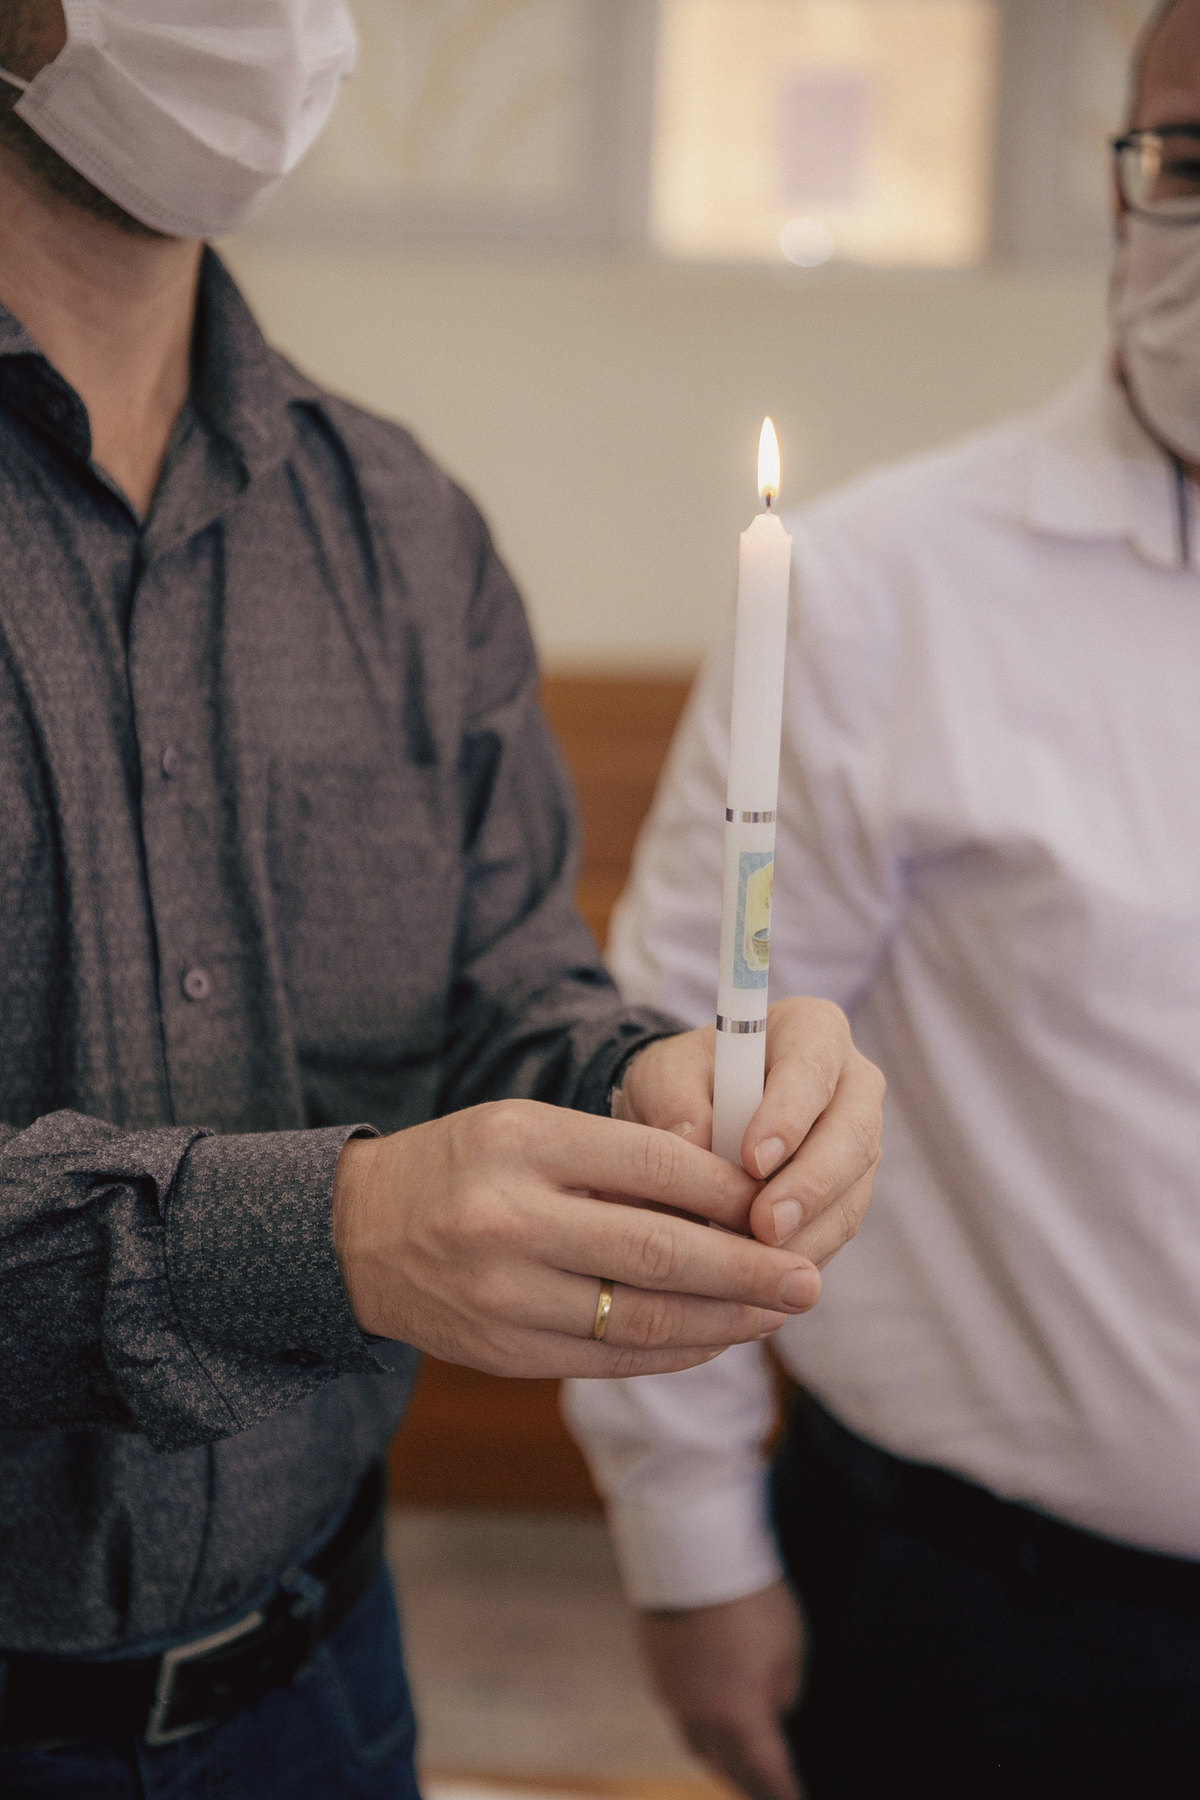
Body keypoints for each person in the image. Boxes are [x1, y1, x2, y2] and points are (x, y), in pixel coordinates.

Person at [0, 4, 886, 1796]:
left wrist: (633, 1073)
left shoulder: (404, 532)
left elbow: (504, 989)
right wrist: (335, 1232)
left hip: (320, 1687)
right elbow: (369, 1214)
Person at [565, 4, 1200, 1797]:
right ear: (1121, 188)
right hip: (1002, 1623)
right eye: (1196, 160)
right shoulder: (888, 596)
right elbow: (686, 1086)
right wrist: (695, 1558)